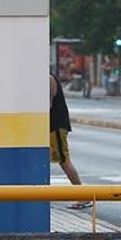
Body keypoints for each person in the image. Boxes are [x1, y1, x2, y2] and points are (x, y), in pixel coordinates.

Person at [49, 73, 91, 209]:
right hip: (50, 126)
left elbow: (48, 105)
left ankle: (83, 196)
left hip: (55, 126)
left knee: (63, 160)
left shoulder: (48, 79)